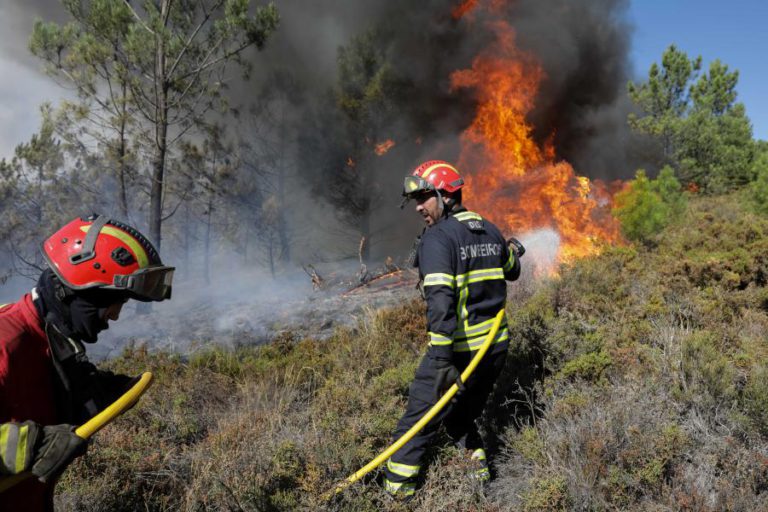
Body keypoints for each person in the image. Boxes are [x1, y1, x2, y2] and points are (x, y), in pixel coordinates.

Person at [0, 214, 174, 511]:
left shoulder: (46, 341)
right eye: (114, 302)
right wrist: (34, 444)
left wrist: (89, 394)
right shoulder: (6, 343)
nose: (115, 315)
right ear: (77, 291)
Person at [383, 160, 523, 497]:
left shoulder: (438, 239)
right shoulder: (490, 230)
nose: (418, 207)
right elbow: (512, 271)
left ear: (446, 195)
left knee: (415, 423)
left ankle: (395, 494)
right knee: (460, 417)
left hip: (456, 355)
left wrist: (442, 360)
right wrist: (512, 250)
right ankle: (479, 483)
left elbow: (441, 303)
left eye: (424, 197)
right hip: (493, 352)